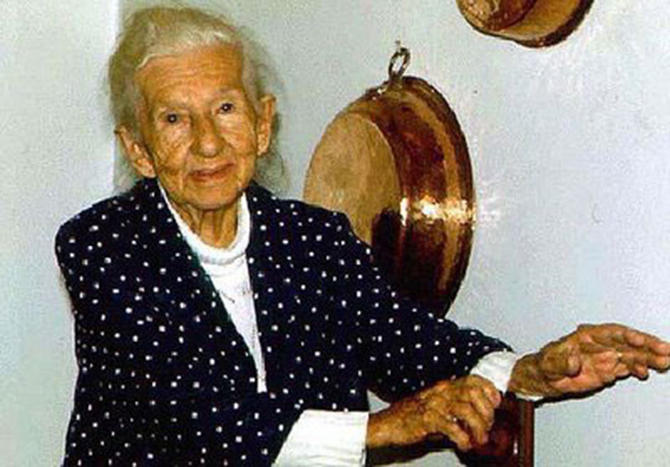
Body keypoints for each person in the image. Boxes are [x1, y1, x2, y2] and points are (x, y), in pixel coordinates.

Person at [55, 6, 670, 466]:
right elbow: (195, 416)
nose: (208, 142)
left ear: (262, 125)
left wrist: (532, 372)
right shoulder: (101, 247)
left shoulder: (314, 239)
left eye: (225, 109)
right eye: (173, 119)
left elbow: (405, 342)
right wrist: (386, 427)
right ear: (139, 149)